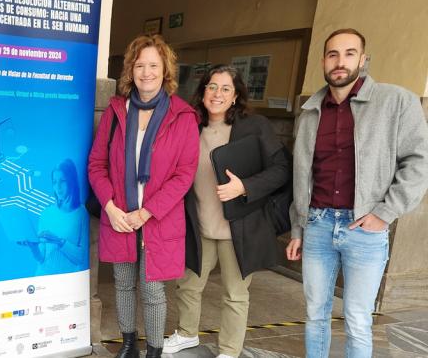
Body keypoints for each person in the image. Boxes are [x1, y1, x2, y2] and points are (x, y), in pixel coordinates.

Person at [285, 28, 428, 357]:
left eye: (349, 53)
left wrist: (384, 213)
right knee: (315, 315)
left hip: (364, 227)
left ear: (363, 60)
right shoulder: (310, 111)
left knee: (358, 320)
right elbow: (302, 175)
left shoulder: (396, 101)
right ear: (323, 61)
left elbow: (419, 162)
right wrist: (298, 227)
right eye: (333, 54)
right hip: (317, 225)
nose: (340, 61)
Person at [163, 65, 290, 357]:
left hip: (239, 227)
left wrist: (244, 186)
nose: (217, 94)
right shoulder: (190, 126)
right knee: (189, 285)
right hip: (200, 224)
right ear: (202, 91)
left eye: (225, 89)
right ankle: (186, 333)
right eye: (211, 87)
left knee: (235, 294)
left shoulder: (255, 126)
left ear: (235, 97)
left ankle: (230, 351)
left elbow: (282, 170)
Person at [88, 34, 199, 358]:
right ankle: (127, 343)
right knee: (123, 284)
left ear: (165, 69)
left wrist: (148, 211)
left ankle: (153, 349)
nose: (146, 72)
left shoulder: (183, 116)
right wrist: (109, 207)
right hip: (120, 216)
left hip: (157, 219)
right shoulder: (115, 111)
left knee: (152, 289)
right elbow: (97, 164)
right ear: (130, 70)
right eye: (140, 65)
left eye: (153, 65)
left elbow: (184, 175)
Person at [21, 159, 89, 275]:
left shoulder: (82, 213)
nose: (58, 187)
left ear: (72, 182)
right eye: (54, 182)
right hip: (42, 277)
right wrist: (33, 247)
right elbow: (41, 258)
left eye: (62, 181)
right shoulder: (46, 214)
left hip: (67, 280)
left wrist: (59, 241)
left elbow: (81, 258)